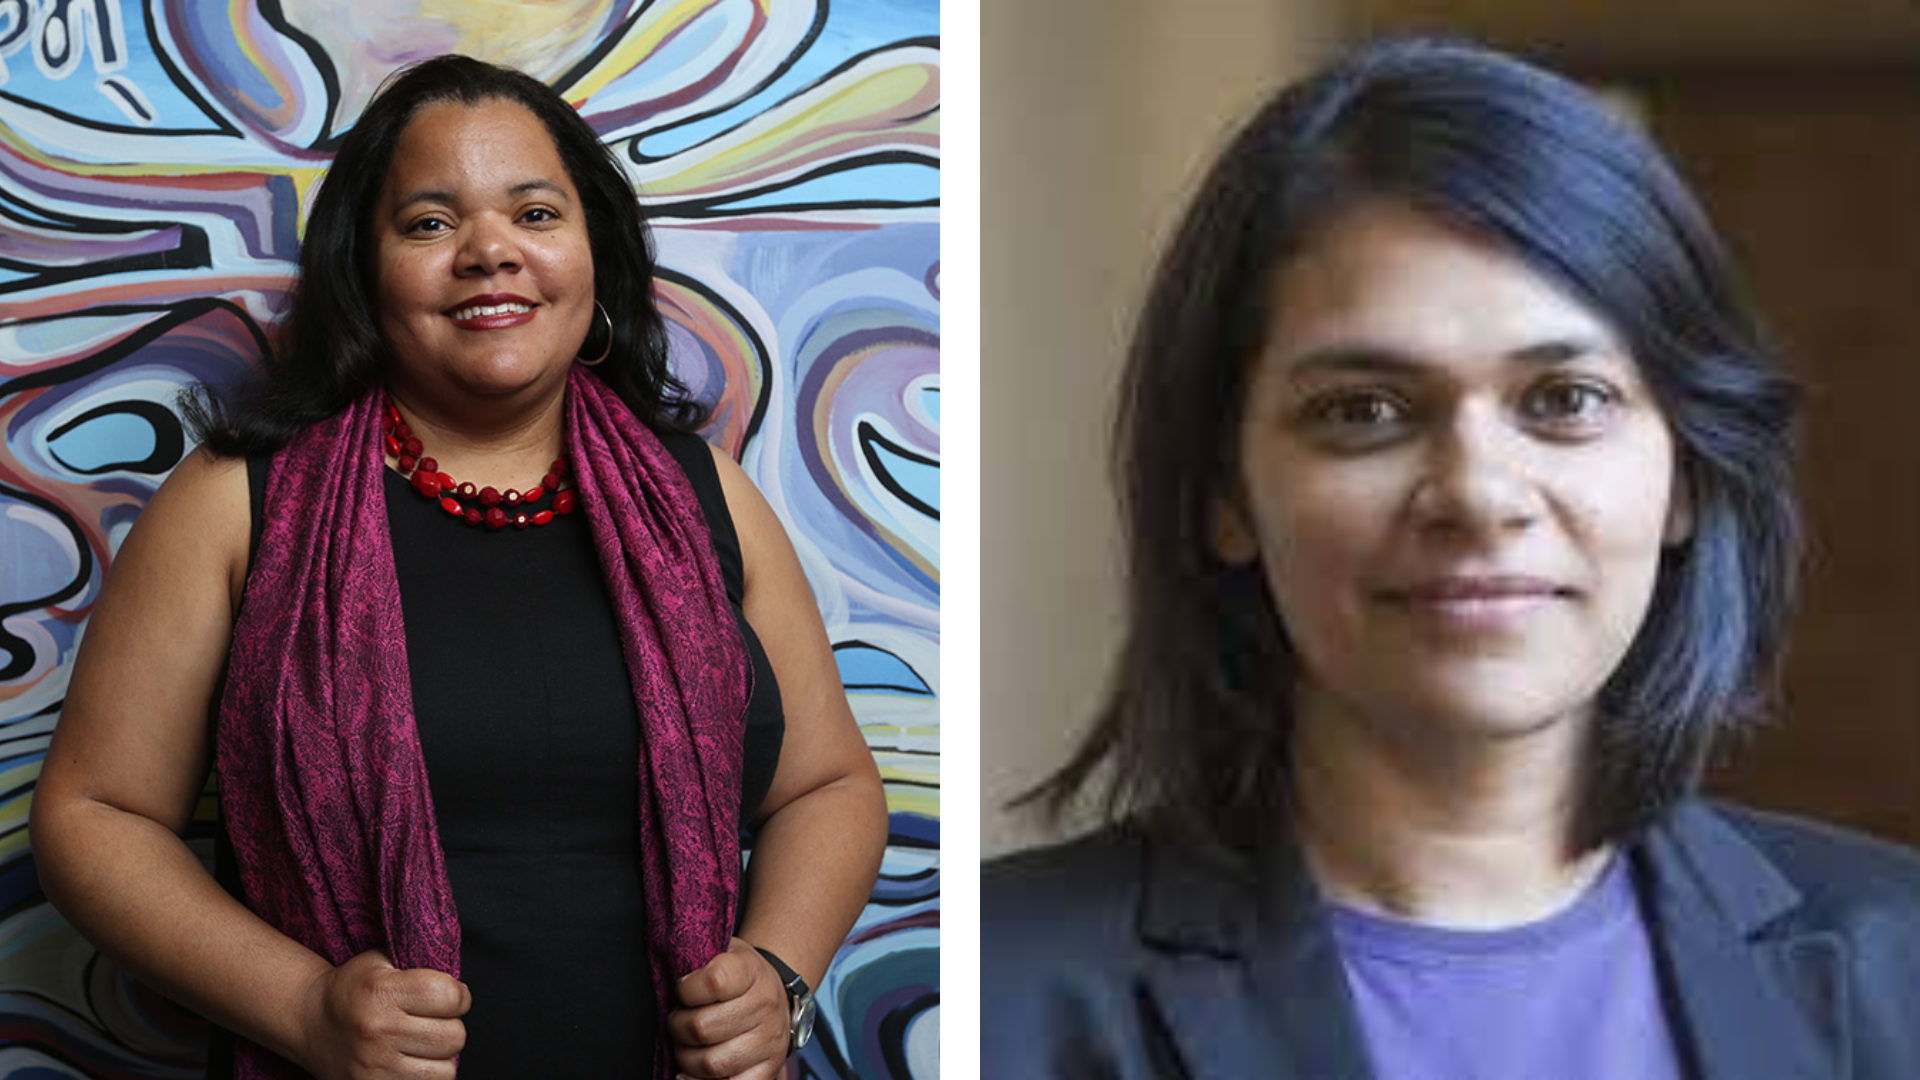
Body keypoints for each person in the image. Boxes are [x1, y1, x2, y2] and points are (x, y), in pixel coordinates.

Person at [982, 36, 1920, 1080]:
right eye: (1364, 411)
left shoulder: (1905, 964)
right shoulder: (982, 998)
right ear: (1223, 494)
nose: (1477, 492)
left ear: (1687, 475)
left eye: (1566, 401)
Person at [30, 55, 888, 1080]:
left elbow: (830, 786)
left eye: (535, 213)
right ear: (364, 269)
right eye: (430, 224)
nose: (491, 251)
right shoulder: (234, 503)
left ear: (593, 254)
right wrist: (304, 1007)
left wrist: (778, 979)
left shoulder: (708, 497)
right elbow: (95, 816)